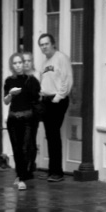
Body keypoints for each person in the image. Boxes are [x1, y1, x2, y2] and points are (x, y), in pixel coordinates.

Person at [37, 32, 73, 182]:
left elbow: (67, 78)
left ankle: (57, 172)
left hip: (57, 100)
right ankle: (53, 170)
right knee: (50, 135)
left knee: (53, 134)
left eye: (46, 44)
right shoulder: (44, 63)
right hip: (46, 100)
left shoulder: (61, 58)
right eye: (41, 45)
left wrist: (59, 97)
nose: (44, 47)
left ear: (53, 44)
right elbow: (43, 81)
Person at [3, 52, 41, 190]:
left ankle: (22, 177)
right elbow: (6, 101)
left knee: (25, 148)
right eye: (15, 63)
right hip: (13, 118)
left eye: (20, 62)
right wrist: (10, 94)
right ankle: (19, 175)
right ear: (12, 65)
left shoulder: (31, 80)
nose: (18, 65)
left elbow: (36, 99)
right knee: (16, 149)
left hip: (27, 119)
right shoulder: (9, 81)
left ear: (24, 64)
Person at [22, 51, 40, 174]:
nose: (27, 63)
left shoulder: (34, 78)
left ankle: (29, 166)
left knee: (29, 139)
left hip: (32, 112)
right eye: (24, 61)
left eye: (29, 61)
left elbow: (35, 96)